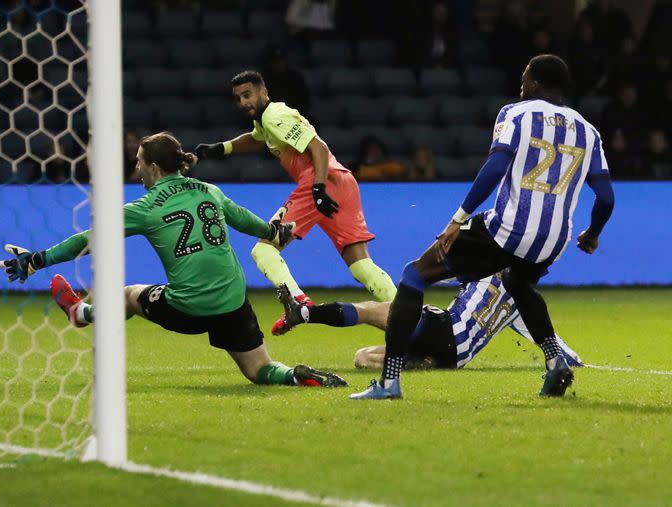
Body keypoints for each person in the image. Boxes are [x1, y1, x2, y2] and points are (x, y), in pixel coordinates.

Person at [350, 54, 615, 400]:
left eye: (524, 77)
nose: (521, 84)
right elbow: (606, 198)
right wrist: (592, 233)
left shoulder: (515, 113)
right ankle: (554, 361)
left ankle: (388, 383)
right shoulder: (588, 131)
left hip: (509, 228)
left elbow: (494, 168)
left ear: (535, 82)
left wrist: (458, 219)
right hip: (554, 239)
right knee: (517, 283)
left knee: (414, 274)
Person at [0, 132, 346, 389]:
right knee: (259, 371)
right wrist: (276, 232)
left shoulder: (145, 208)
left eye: (138, 163)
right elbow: (248, 222)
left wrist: (36, 261)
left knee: (127, 295)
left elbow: (87, 240)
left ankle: (81, 313)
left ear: (152, 167)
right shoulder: (210, 191)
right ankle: (294, 376)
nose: (136, 170)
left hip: (189, 308)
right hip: (233, 300)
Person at [195, 70, 396, 333]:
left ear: (263, 92)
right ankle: (409, 314)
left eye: (248, 95)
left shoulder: (275, 117)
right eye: (238, 98)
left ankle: (299, 304)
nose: (243, 102)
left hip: (318, 182)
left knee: (264, 250)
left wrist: (319, 189)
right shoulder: (266, 120)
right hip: (342, 182)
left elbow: (319, 148)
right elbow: (256, 139)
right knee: (360, 265)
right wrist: (223, 148)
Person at [273, 271, 583, 371]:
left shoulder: (483, 266)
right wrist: (572, 359)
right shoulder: (520, 305)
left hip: (444, 329)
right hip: (454, 356)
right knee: (362, 357)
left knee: (369, 310)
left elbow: (436, 269)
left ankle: (305, 313)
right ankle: (420, 361)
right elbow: (547, 339)